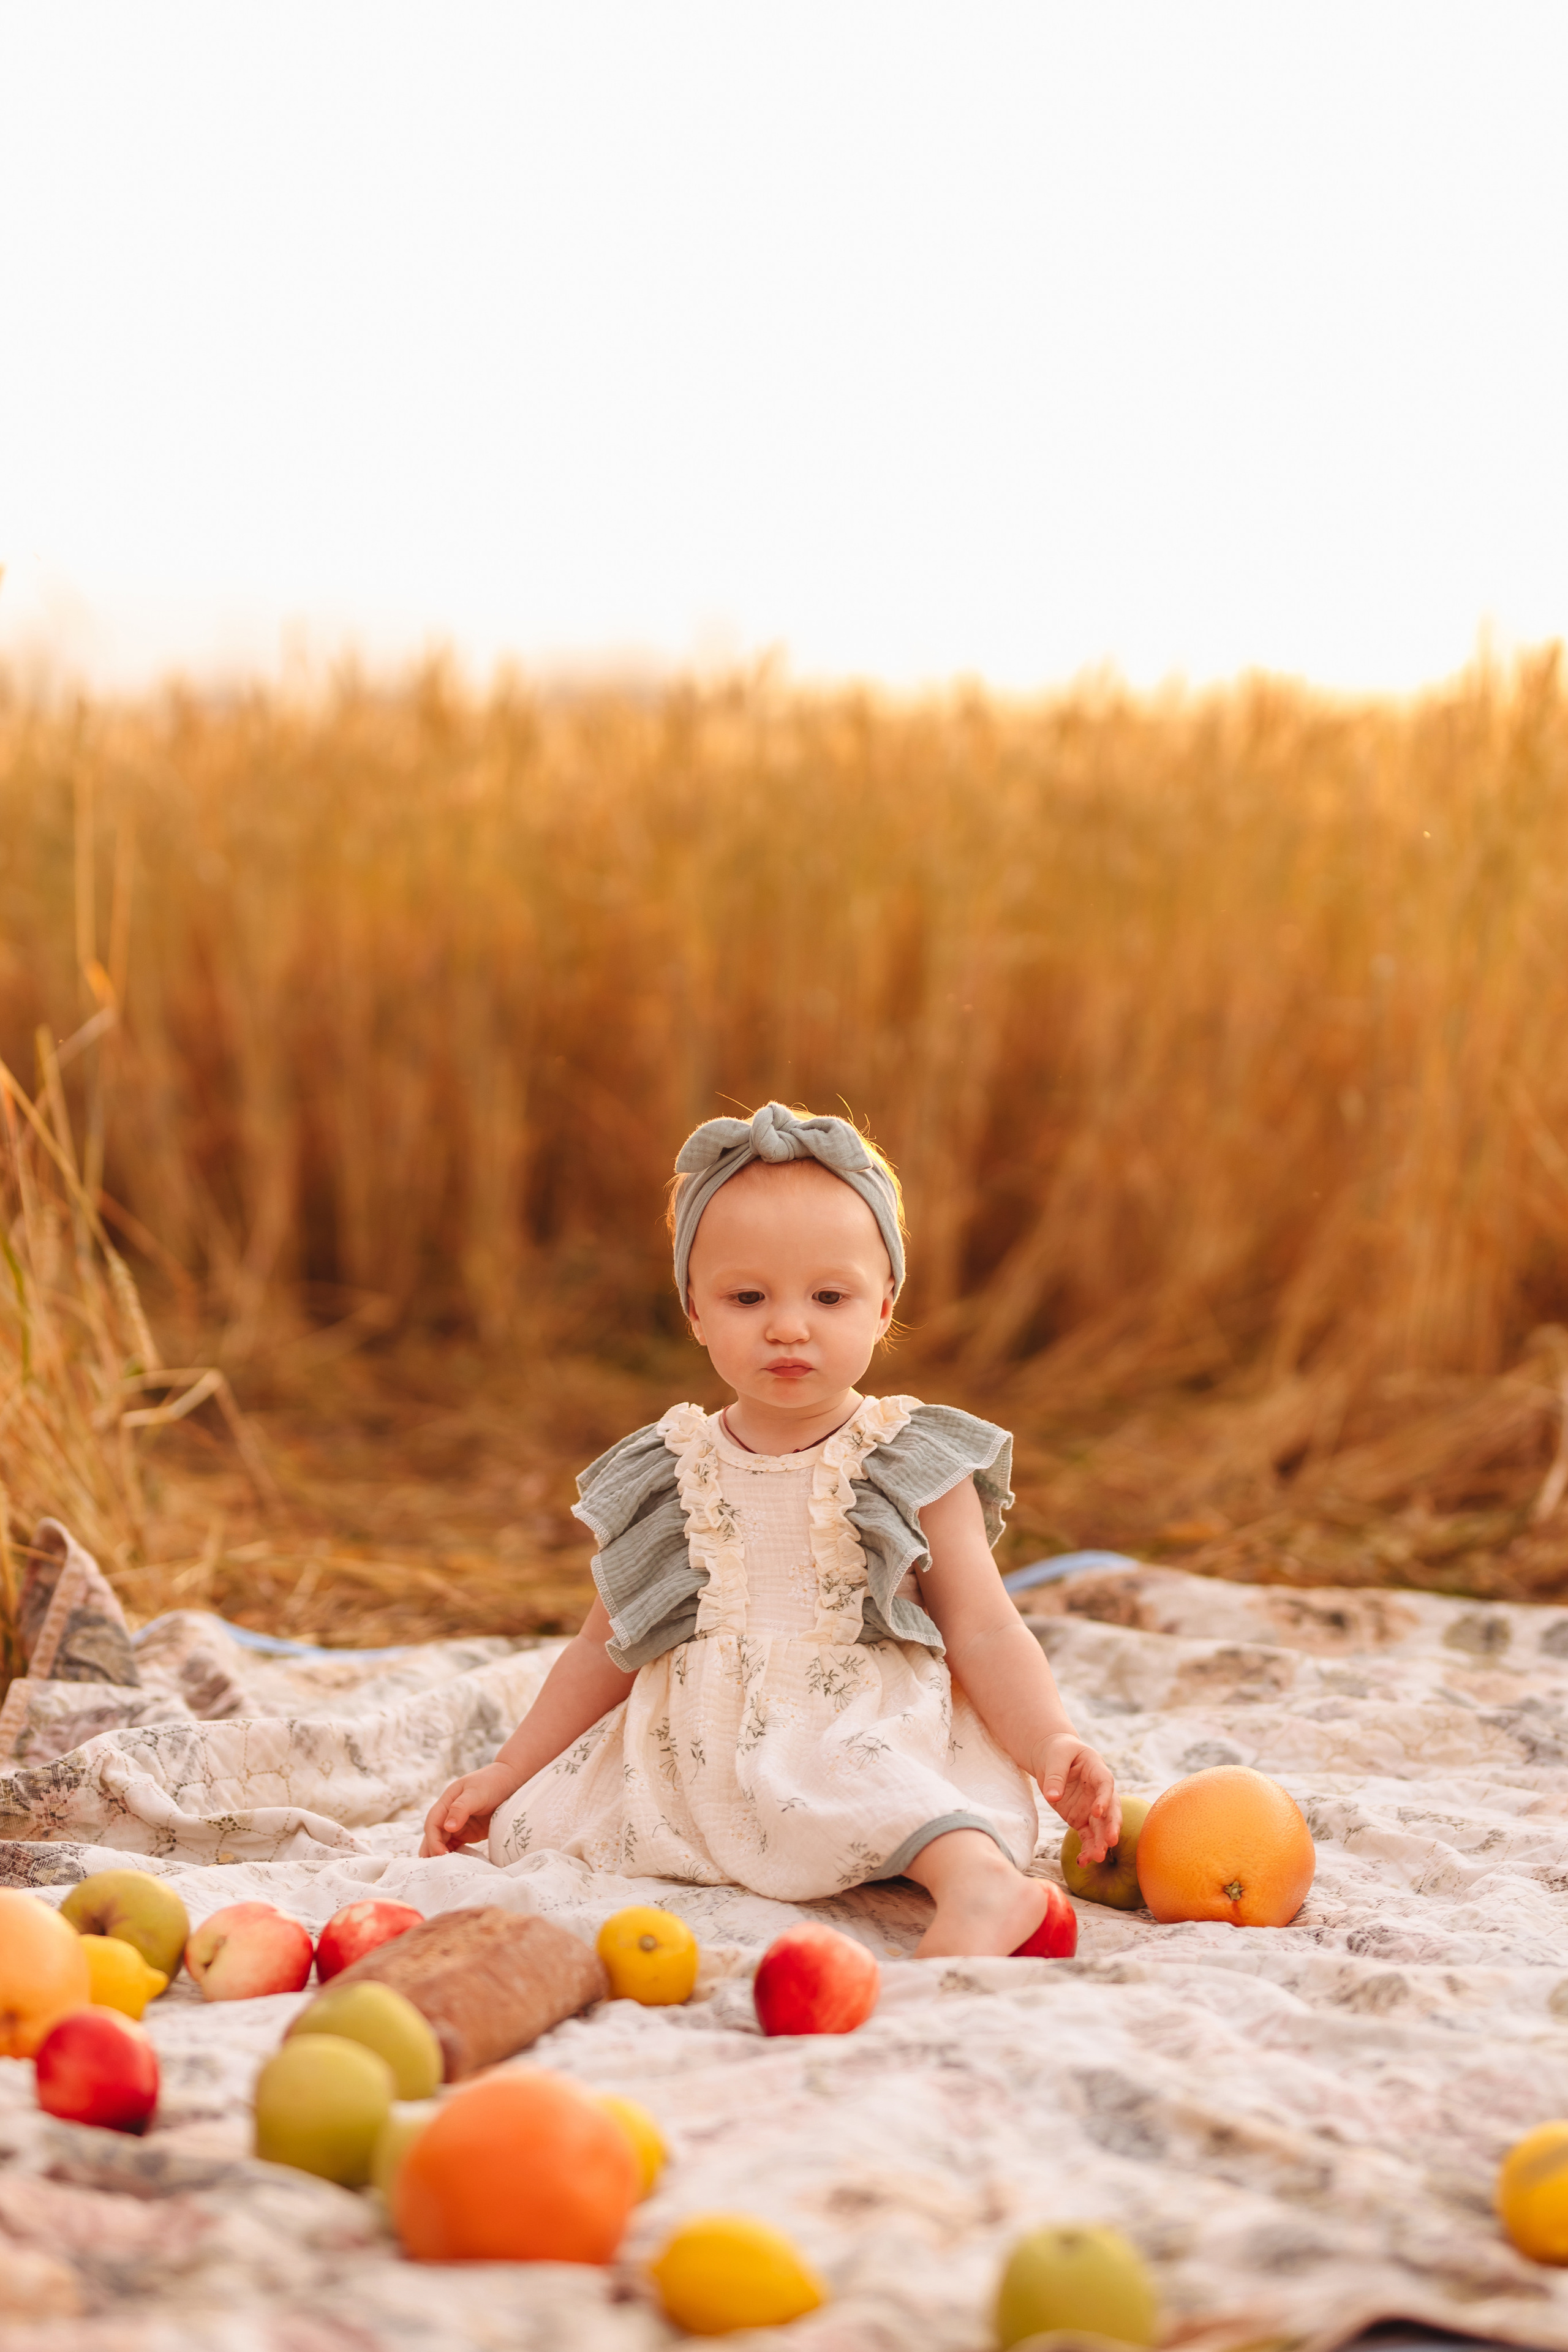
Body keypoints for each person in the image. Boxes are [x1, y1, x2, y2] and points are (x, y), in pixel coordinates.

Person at [421, 1102, 1120, 1957]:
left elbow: (982, 1625)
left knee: (863, 1777)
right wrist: (508, 1770)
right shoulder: (670, 1466)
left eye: (829, 1296)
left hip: (854, 1714)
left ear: (884, 1304)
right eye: (748, 1297)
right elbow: (606, 1646)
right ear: (695, 1311)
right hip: (706, 1735)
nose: (789, 1325)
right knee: (544, 1824)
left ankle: (975, 1882)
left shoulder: (907, 1459)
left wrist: (1053, 1740)